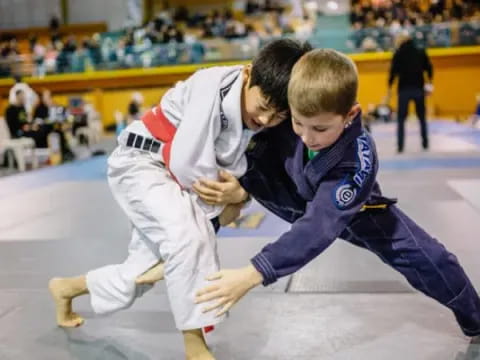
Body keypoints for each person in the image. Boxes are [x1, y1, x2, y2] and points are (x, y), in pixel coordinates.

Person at [48, 39, 311, 360]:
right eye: (264, 107)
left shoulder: (251, 111)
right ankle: (194, 345)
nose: (267, 120)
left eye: (278, 115)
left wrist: (238, 196)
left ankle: (66, 289)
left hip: (175, 175)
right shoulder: (210, 85)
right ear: (248, 73)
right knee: (188, 238)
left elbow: (243, 171)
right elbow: (188, 163)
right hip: (142, 163)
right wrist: (222, 210)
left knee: (144, 272)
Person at [193, 49, 480, 338]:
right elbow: (255, 158)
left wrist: (252, 274)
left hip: (356, 213)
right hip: (288, 194)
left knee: (431, 258)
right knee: (215, 187)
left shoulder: (357, 160)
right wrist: (241, 189)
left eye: (320, 128)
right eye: (297, 123)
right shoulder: (290, 114)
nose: (306, 136)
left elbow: (318, 227)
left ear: (350, 115)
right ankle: (173, 255)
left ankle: (475, 318)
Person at [388, 33, 433, 153]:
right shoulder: (420, 51)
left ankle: (400, 145)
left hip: (404, 89)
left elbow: (393, 71)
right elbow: (429, 68)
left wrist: (390, 85)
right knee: (422, 118)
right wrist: (429, 82)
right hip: (418, 88)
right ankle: (425, 143)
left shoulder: (398, 53)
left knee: (401, 119)